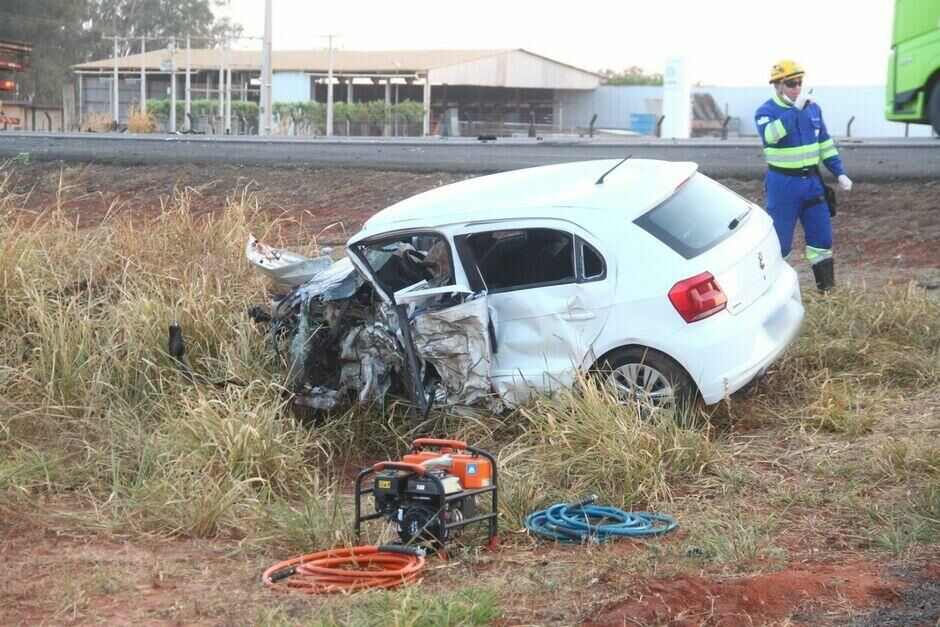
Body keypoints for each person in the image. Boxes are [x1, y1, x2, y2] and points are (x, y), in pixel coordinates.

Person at [755, 60, 853, 292]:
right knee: (780, 245)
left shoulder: (813, 109)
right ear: (777, 86)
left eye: (799, 82)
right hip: (783, 185)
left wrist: (839, 173)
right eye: (791, 83)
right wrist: (795, 109)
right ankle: (777, 295)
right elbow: (771, 135)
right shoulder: (766, 111)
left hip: (812, 184)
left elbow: (825, 144)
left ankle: (827, 294)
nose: (797, 88)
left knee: (822, 240)